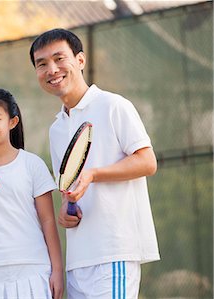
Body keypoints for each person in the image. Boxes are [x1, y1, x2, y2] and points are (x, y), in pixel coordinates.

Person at [29, 28, 160, 298]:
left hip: (114, 252)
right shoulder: (56, 129)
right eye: (42, 64)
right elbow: (68, 189)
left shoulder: (113, 105)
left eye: (59, 59)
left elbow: (147, 162)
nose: (51, 69)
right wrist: (66, 210)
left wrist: (93, 174)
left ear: (80, 60)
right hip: (78, 260)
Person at [0, 88, 64, 299]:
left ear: (12, 122)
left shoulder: (32, 164)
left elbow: (48, 222)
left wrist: (58, 271)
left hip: (34, 270)